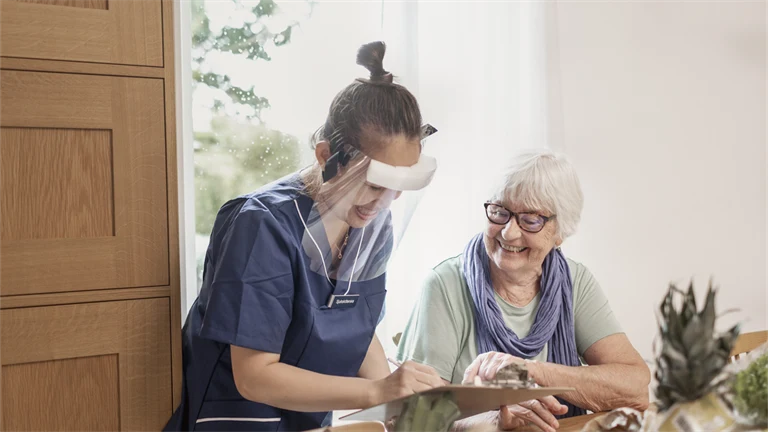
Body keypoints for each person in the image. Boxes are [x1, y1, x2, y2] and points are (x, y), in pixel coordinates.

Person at [165, 41, 445, 432]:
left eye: (397, 188)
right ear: (324, 155)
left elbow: (355, 327)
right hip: (234, 421)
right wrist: (377, 391)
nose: (384, 203)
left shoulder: (371, 222)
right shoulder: (261, 225)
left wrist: (401, 403)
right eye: (374, 184)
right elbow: (255, 376)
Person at [396, 149, 650, 432]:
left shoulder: (575, 281)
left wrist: (532, 372)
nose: (508, 233)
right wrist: (495, 420)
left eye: (530, 220)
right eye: (500, 212)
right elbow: (412, 418)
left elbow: (636, 388)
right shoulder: (445, 284)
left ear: (559, 232)